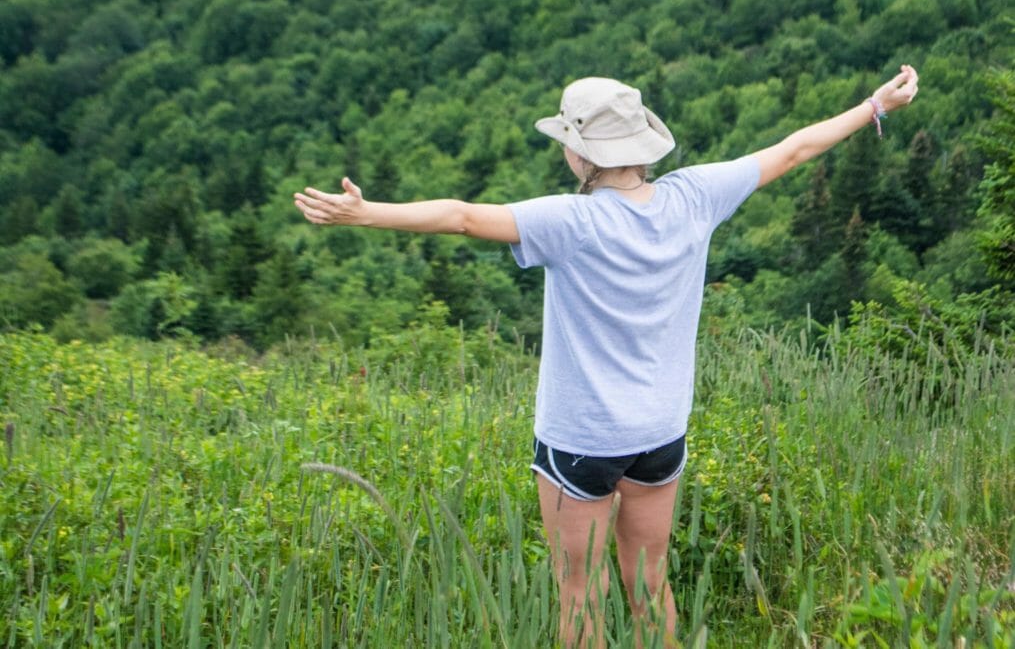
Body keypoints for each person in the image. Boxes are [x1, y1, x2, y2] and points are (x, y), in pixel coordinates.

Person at [294, 65, 919, 648]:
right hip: (660, 433)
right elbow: (793, 149)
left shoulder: (571, 222)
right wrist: (874, 105)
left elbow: (460, 217)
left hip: (582, 440)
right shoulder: (695, 196)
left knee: (579, 595)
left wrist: (365, 213)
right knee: (651, 583)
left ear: (579, 153)